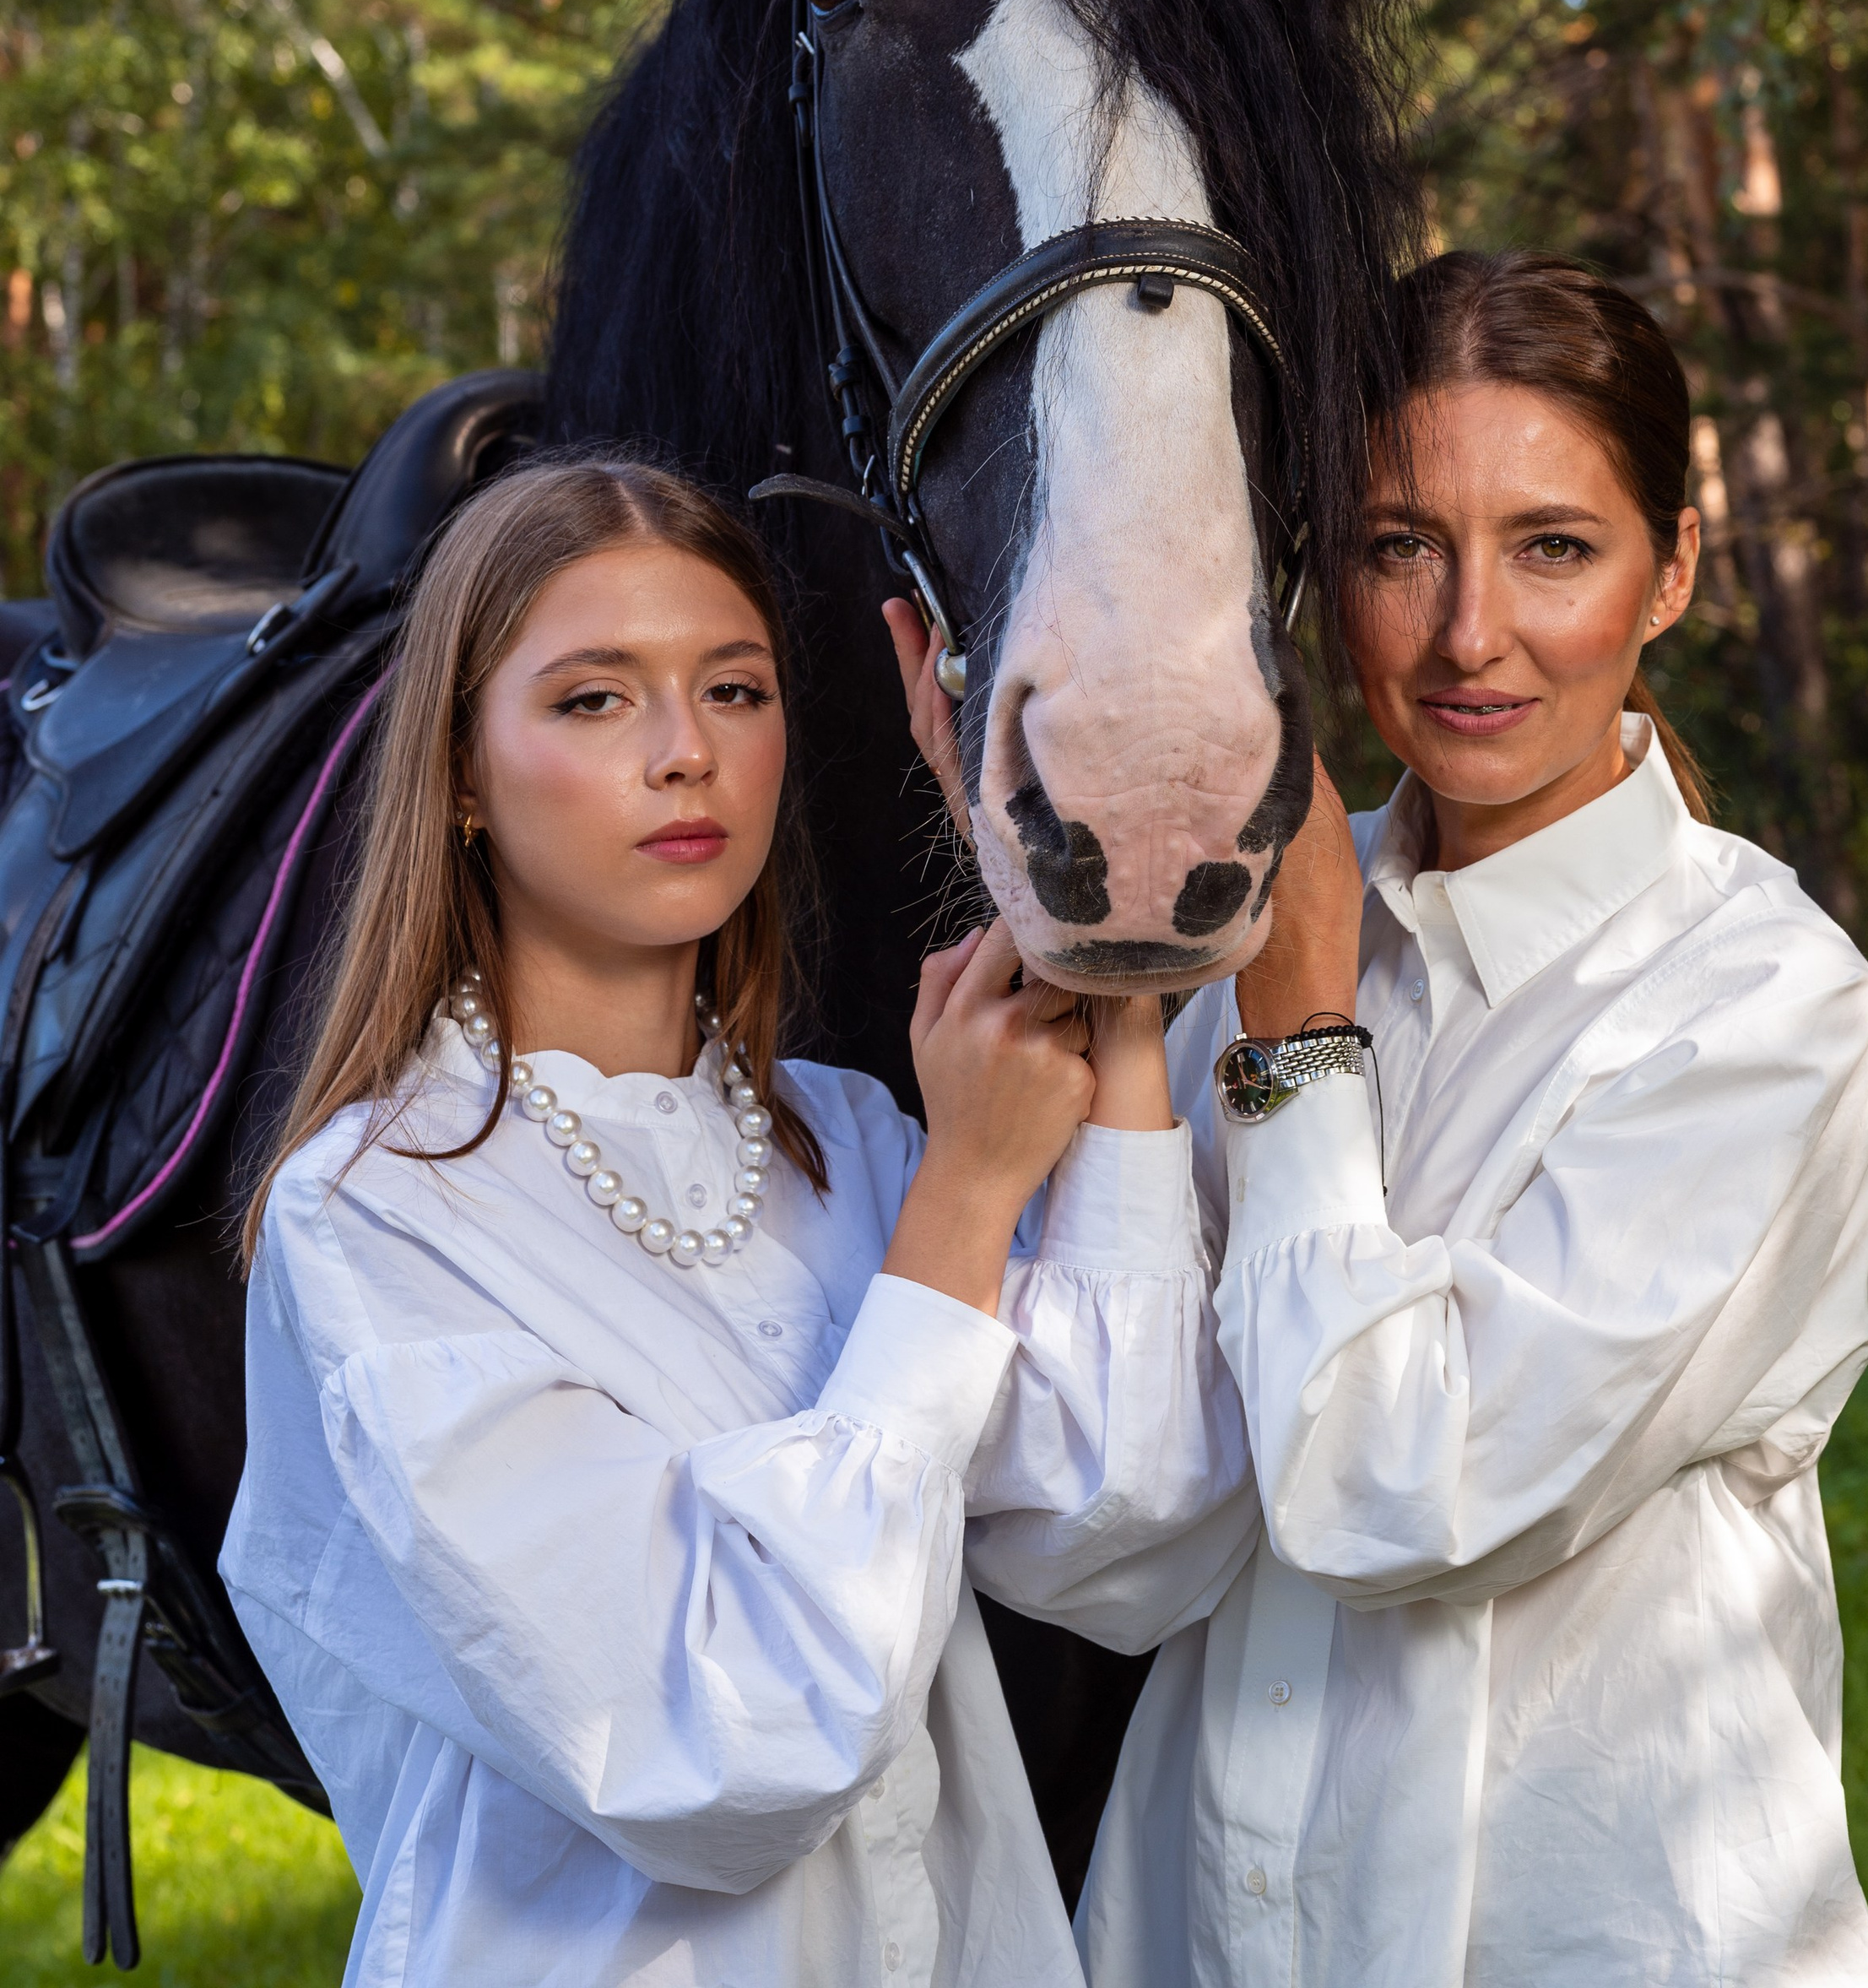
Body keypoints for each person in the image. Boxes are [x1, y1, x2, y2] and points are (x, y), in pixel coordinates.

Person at [896, 249, 1868, 1988]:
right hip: (1199, 1938)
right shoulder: (1249, 928)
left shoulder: (1764, 1011)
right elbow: (1117, 1555)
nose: (1467, 635)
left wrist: (1298, 1037)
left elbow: (1398, 1491)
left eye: (1552, 547)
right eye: (1396, 548)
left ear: (1667, 570)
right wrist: (1135, 1015)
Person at [222, 454, 1248, 1988]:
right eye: (592, 699)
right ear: (455, 772)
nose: (685, 754)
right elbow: (732, 1751)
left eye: (735, 690)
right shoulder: (381, 1212)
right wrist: (966, 1201)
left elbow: (1134, 1528)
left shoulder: (841, 1134)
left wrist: (1073, 930)